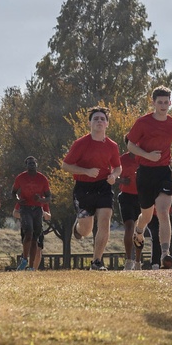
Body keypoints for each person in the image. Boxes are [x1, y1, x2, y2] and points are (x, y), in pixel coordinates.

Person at [127, 87, 172, 269]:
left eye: (166, 102)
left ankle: (165, 254)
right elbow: (130, 145)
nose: (163, 105)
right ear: (153, 103)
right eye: (159, 102)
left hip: (164, 172)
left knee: (163, 212)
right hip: (145, 172)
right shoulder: (143, 123)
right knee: (146, 215)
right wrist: (146, 155)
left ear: (170, 103)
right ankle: (138, 231)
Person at [62, 107, 123, 271]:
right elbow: (65, 165)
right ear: (89, 123)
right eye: (95, 119)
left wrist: (114, 176)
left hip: (104, 186)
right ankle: (78, 228)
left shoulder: (112, 146)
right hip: (83, 188)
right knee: (86, 229)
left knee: (104, 221)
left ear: (107, 124)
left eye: (102, 119)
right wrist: (86, 171)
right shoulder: (80, 143)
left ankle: (96, 262)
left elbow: (118, 167)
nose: (99, 121)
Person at [12, 156, 52, 271]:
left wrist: (40, 200)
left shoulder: (42, 179)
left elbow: (49, 197)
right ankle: (24, 259)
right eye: (29, 163)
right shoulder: (21, 177)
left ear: (36, 164)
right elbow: (13, 192)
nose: (32, 165)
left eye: (33, 163)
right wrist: (18, 199)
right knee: (28, 232)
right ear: (26, 165)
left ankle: (31, 267)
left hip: (38, 209)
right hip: (25, 208)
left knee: (35, 238)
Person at [117, 138, 141, 269]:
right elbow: (111, 176)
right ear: (127, 145)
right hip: (126, 196)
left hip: (142, 197)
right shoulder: (121, 159)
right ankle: (129, 260)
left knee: (139, 230)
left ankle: (138, 261)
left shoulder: (143, 159)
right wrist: (121, 180)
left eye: (136, 144)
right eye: (131, 144)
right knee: (129, 226)